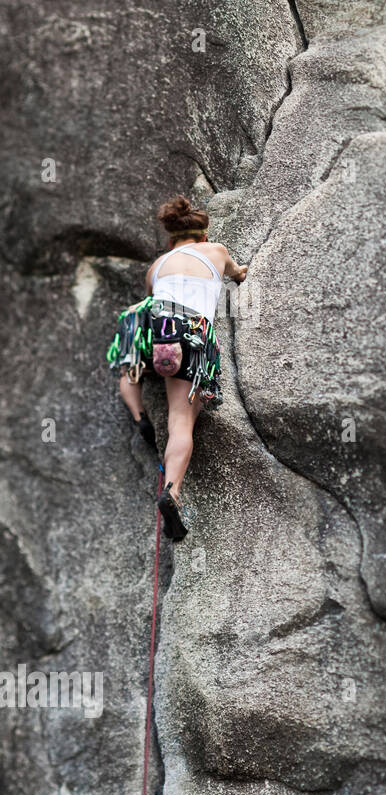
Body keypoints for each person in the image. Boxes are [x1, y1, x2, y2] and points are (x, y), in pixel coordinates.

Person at [116, 195, 247, 541]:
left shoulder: (156, 266)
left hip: (154, 328)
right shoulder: (217, 251)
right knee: (181, 419)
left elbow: (151, 297)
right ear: (203, 237)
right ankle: (171, 492)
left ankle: (138, 412)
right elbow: (237, 274)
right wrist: (239, 274)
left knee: (131, 355)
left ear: (171, 241)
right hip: (189, 335)